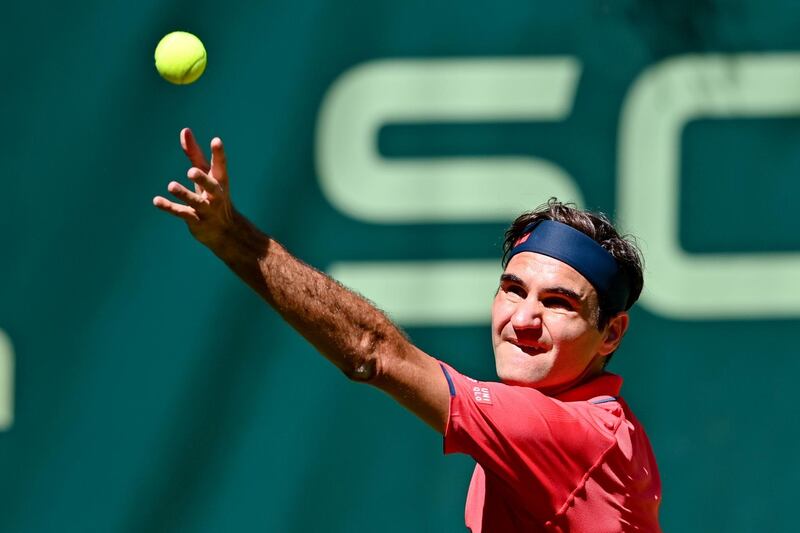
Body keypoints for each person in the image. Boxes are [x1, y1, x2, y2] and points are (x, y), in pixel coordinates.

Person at [153, 128, 662, 532]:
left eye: (558, 303)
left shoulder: (565, 434)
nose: (524, 320)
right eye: (513, 289)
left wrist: (233, 239)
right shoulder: (604, 425)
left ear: (612, 334)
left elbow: (372, 351)